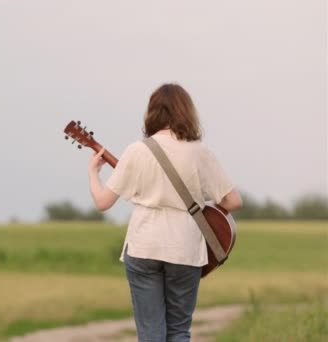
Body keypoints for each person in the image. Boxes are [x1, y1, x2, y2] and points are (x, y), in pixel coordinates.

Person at [87, 83, 242, 342]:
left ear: (153, 113)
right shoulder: (200, 152)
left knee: (150, 333)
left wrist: (94, 173)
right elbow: (233, 201)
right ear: (187, 112)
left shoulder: (138, 150)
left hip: (144, 246)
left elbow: (103, 202)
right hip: (186, 249)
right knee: (179, 331)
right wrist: (201, 210)